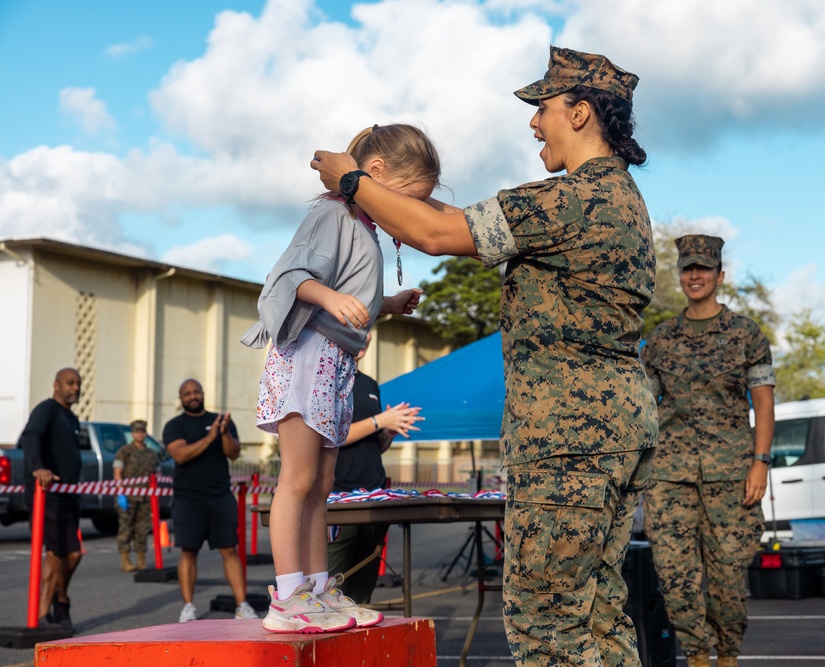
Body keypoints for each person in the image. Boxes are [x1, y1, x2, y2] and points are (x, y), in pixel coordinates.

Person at [312, 46, 657, 667]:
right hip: (610, 427)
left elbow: (437, 235)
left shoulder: (575, 199)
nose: (533, 123)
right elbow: (455, 218)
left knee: (548, 621)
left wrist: (352, 180)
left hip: (570, 434)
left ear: (580, 114)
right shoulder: (612, 197)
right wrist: (391, 195)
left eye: (543, 109)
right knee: (596, 614)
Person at [241, 123, 437, 634]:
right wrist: (328, 297)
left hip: (335, 364)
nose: (406, 213)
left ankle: (318, 589)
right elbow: (286, 278)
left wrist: (387, 305)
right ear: (372, 175)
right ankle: (288, 596)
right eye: (406, 198)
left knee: (322, 484)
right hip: (307, 358)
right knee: (299, 481)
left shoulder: (363, 225)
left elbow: (350, 292)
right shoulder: (331, 212)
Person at [640, 235, 776, 667]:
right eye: (687, 269)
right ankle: (697, 656)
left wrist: (761, 463)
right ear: (680, 275)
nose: (694, 276)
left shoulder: (746, 334)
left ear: (720, 275)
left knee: (728, 579)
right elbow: (646, 405)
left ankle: (728, 656)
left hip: (731, 476)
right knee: (675, 578)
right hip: (670, 476)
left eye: (703, 268)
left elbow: (765, 403)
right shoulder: (660, 340)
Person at [163, 378, 258, 623]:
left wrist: (223, 433)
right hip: (188, 498)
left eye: (196, 392)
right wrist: (209, 438)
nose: (193, 396)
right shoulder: (175, 426)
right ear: (181, 398)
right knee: (189, 552)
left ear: (203, 394)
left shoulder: (221, 422)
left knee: (229, 550)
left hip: (220, 496)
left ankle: (242, 605)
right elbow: (180, 455)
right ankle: (188, 607)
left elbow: (233, 453)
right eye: (187, 393)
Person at [326, 368, 422, 603]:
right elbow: (328, 433)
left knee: (362, 593)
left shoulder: (369, 384)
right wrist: (379, 421)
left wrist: (387, 433)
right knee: (330, 591)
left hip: (374, 495)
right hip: (339, 496)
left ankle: (357, 636)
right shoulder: (326, 376)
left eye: (368, 329)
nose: (365, 334)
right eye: (360, 328)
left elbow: (373, 445)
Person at [19, 368, 84, 629]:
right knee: (62, 554)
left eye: (78, 383)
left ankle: (58, 603)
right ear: (56, 384)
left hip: (68, 496)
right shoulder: (45, 410)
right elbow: (30, 435)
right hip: (47, 495)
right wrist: (38, 468)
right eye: (70, 383)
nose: (75, 388)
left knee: (65, 555)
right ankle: (49, 611)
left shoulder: (73, 418)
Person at [113, 419, 159, 572]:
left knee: (142, 529)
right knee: (126, 528)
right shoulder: (124, 452)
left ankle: (141, 559)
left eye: (143, 431)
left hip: (145, 497)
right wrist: (121, 493)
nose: (140, 434)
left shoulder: (151, 453)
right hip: (128, 496)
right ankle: (125, 560)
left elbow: (156, 475)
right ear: (132, 434)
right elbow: (117, 472)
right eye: (137, 431)